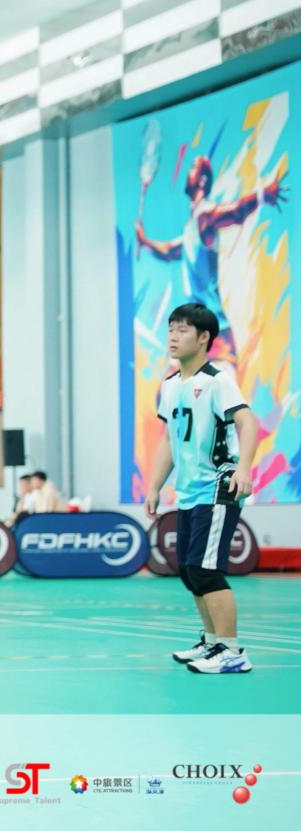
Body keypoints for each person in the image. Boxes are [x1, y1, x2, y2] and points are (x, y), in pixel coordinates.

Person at [146, 303, 259, 674]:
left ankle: (232, 652)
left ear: (203, 338)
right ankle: (212, 643)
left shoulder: (217, 381)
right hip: (189, 491)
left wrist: (244, 469)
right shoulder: (169, 385)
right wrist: (154, 486)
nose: (173, 337)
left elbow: (248, 423)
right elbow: (169, 439)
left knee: (206, 569)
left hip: (218, 486)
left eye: (182, 330)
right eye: (171, 329)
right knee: (190, 570)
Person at [136, 159, 286, 360]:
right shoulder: (191, 228)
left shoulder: (205, 214)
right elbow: (170, 251)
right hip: (199, 336)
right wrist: (145, 242)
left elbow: (236, 212)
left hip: (216, 335)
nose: (188, 171)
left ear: (202, 180)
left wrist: (262, 195)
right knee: (171, 379)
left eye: (193, 168)